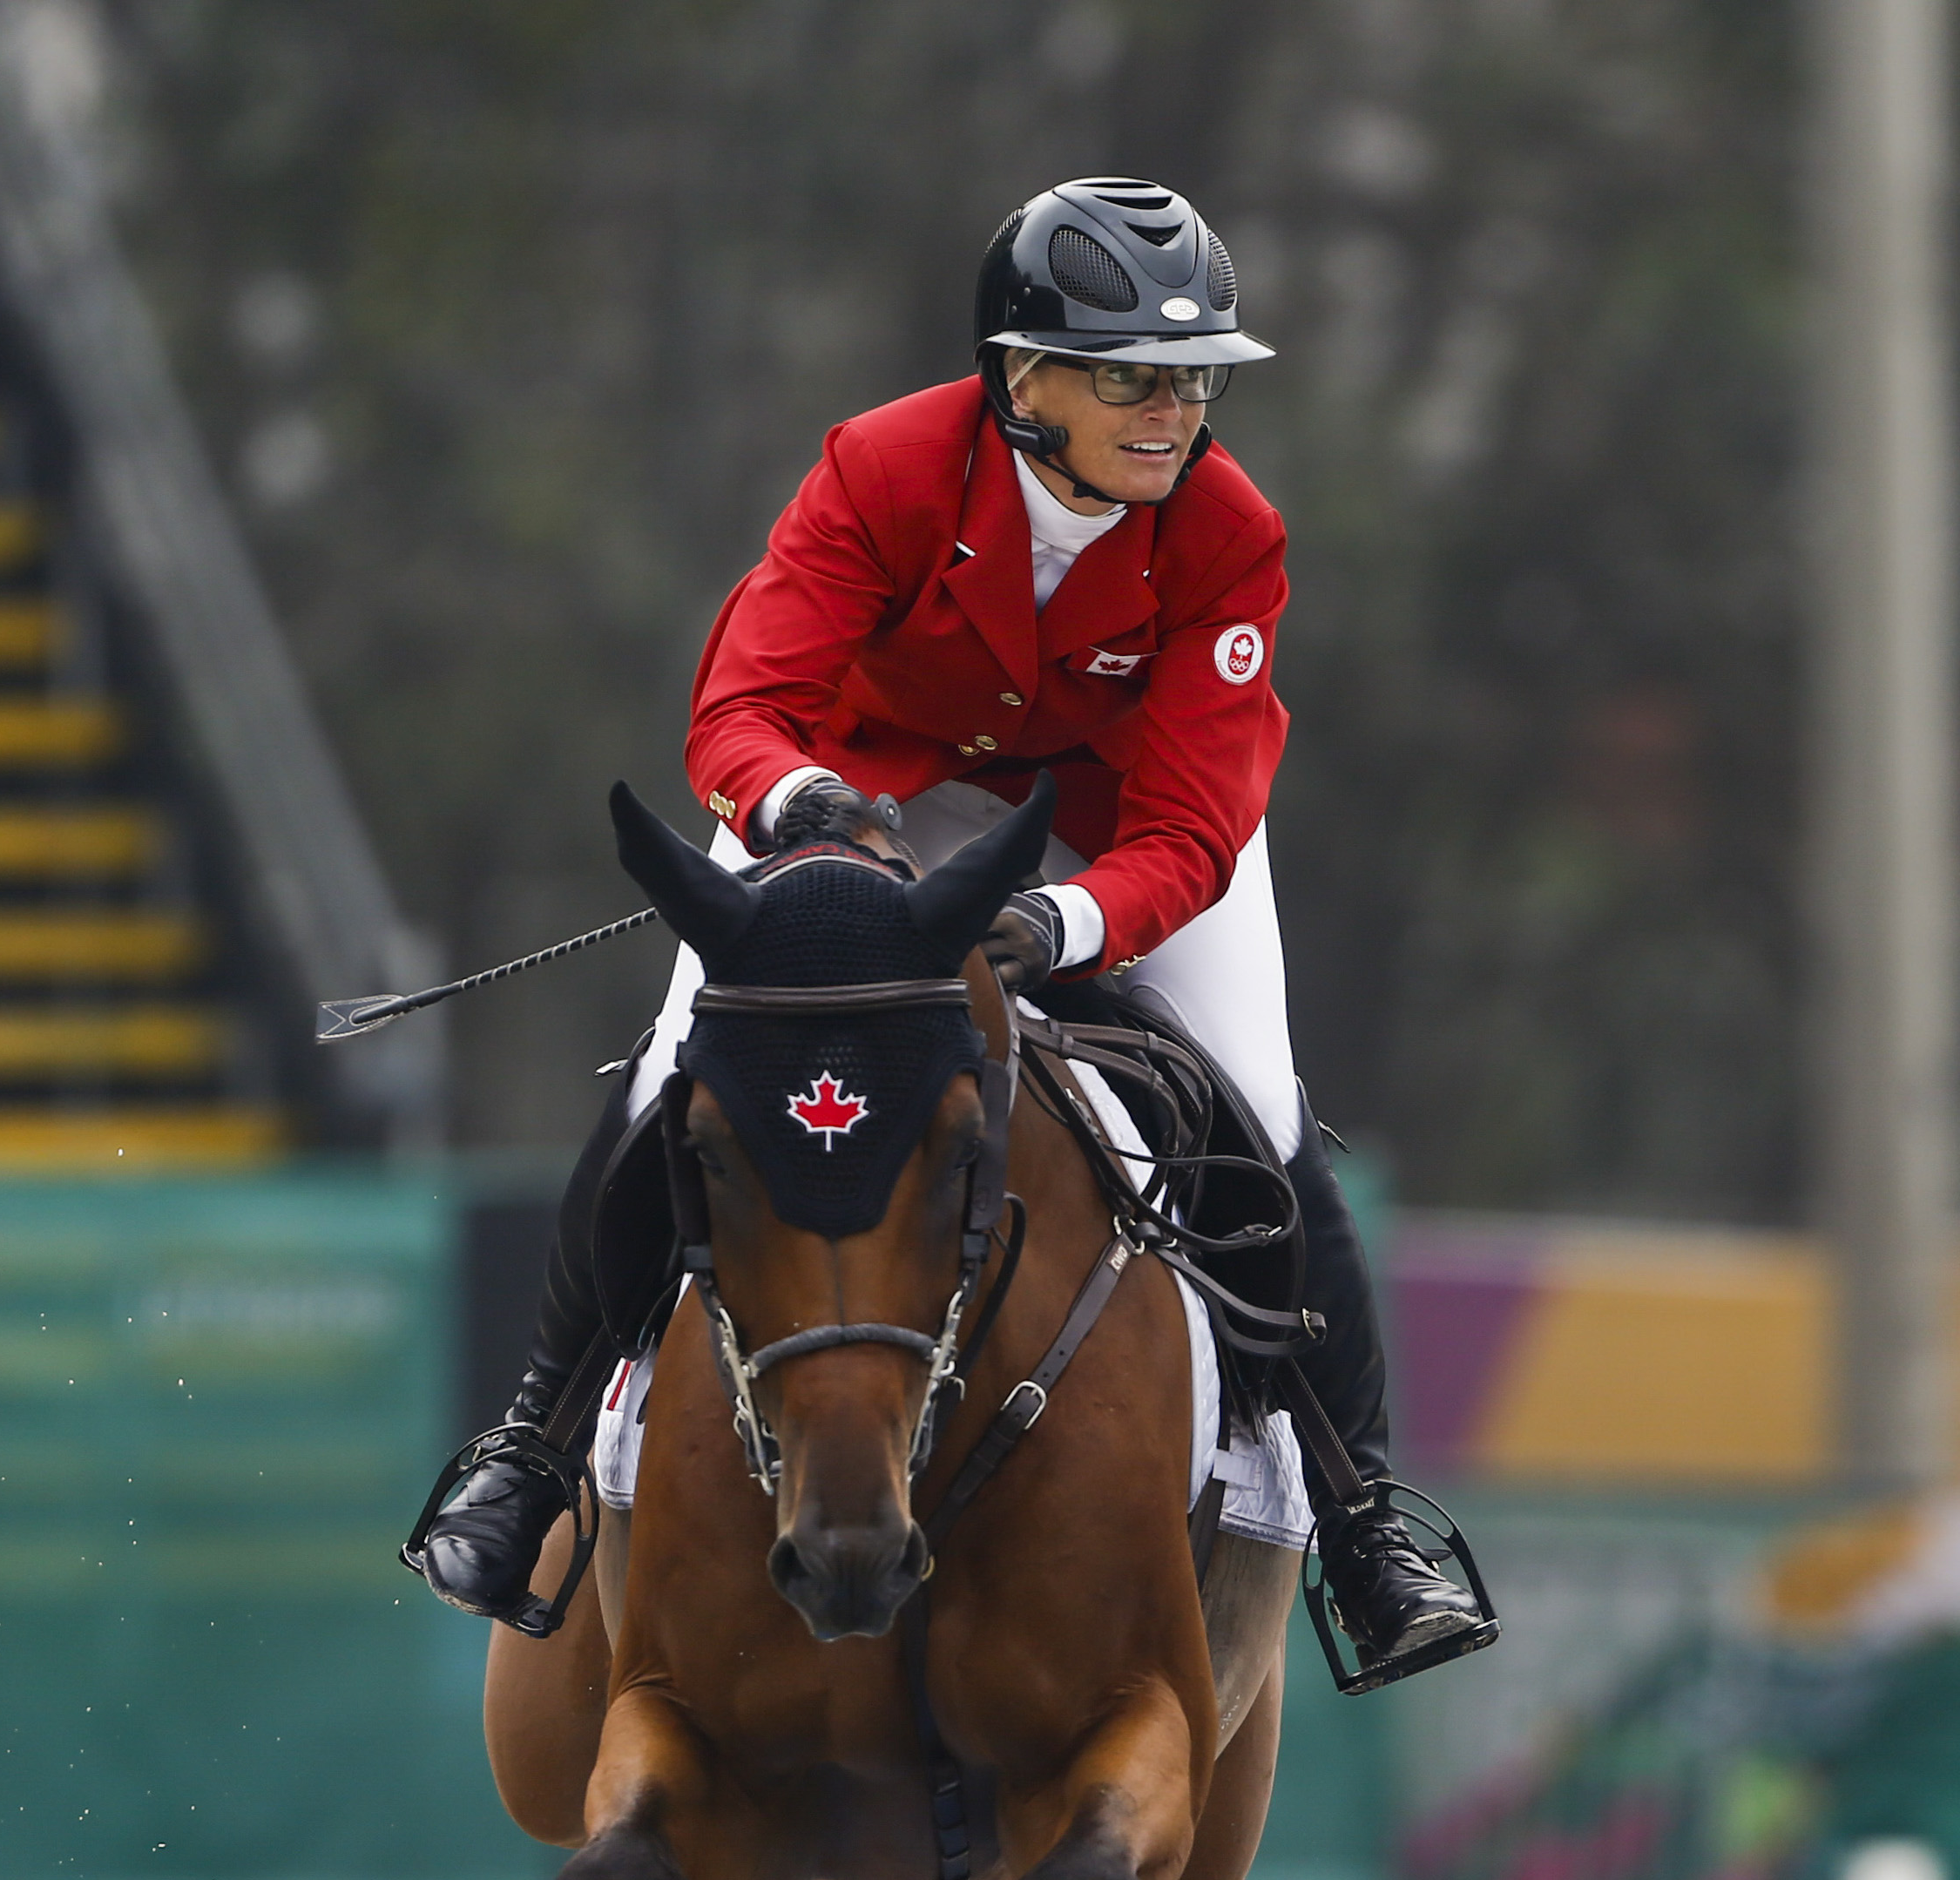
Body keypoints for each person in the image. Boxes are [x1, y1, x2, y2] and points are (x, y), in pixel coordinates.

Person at [409, 177, 1495, 1682]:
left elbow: (1191, 821)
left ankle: (1368, 1519)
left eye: (1191, 380)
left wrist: (1063, 919)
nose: (1171, 412)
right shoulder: (885, 466)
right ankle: (527, 1451)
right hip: (854, 803)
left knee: (1259, 1111)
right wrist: (795, 809)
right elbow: (741, 705)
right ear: (1019, 376)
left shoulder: (1229, 531)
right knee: (672, 1076)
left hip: (1122, 845)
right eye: (1130, 376)